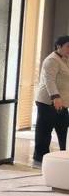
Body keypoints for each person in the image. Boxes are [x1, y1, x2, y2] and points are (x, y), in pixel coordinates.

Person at [34, 35, 69, 163]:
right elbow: (50, 80)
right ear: (59, 46)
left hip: (62, 102)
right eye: (68, 46)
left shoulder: (65, 59)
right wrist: (55, 97)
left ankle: (64, 155)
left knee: (63, 129)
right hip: (48, 102)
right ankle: (40, 157)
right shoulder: (52, 60)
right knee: (44, 131)